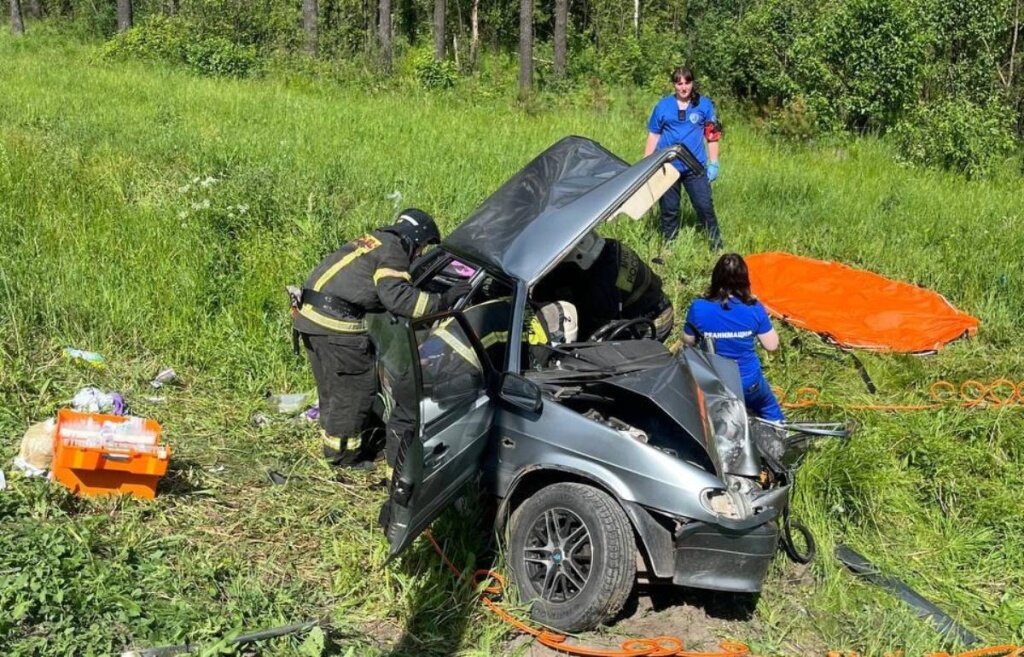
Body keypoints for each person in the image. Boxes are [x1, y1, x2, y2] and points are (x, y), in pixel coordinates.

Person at [292, 208, 469, 467]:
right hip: (336, 327)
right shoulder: (395, 251)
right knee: (355, 391)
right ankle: (344, 460)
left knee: (332, 389)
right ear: (415, 237)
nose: (419, 254)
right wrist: (442, 301)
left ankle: (332, 449)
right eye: (421, 247)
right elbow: (397, 297)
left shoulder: (375, 240)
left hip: (310, 319)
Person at [681, 253, 783, 422]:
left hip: (716, 384)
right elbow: (771, 345)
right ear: (744, 279)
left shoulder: (698, 308)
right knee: (768, 407)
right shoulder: (754, 308)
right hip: (749, 383)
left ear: (715, 277)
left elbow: (688, 342)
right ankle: (779, 434)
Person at [533, 232, 674, 342]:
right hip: (654, 300)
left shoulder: (601, 290)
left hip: (654, 321)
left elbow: (592, 332)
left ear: (579, 258)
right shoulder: (608, 247)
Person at [645, 66, 724, 250]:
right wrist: (647, 165)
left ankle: (716, 245)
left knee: (704, 206)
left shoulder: (704, 105)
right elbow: (653, 135)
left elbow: (712, 136)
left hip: (694, 166)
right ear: (674, 85)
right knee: (669, 210)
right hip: (667, 166)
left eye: (687, 82)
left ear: (692, 83)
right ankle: (668, 246)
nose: (683, 87)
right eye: (679, 83)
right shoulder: (663, 106)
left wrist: (714, 163)